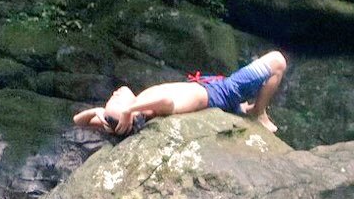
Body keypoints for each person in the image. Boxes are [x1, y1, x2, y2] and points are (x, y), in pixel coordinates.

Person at [73, 50, 288, 136]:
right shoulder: (147, 108)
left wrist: (98, 111)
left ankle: (245, 109)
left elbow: (78, 121)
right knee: (277, 61)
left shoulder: (132, 112)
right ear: (131, 117)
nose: (116, 92)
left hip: (211, 90)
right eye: (116, 99)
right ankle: (258, 113)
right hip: (224, 93)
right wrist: (128, 109)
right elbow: (166, 100)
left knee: (242, 105)